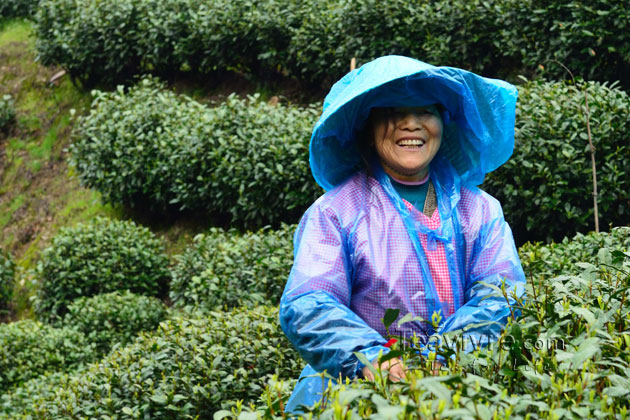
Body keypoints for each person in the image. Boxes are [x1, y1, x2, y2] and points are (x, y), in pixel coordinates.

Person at [279, 55, 526, 413]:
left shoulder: (480, 210)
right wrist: (376, 361)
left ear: (443, 122)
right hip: (357, 395)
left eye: (425, 111)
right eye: (393, 112)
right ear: (368, 125)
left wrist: (444, 359)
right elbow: (308, 304)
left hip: (455, 393)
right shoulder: (336, 212)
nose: (411, 124)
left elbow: (501, 296)